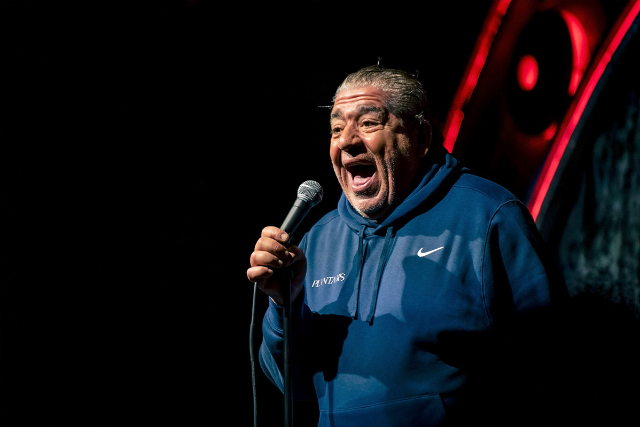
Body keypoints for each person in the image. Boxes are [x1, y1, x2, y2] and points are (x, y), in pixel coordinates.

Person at [247, 65, 564, 426]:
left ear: (420, 137)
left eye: (368, 123)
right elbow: (294, 384)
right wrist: (284, 304)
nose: (347, 141)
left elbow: (549, 363)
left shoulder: (488, 216)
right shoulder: (317, 241)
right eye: (336, 129)